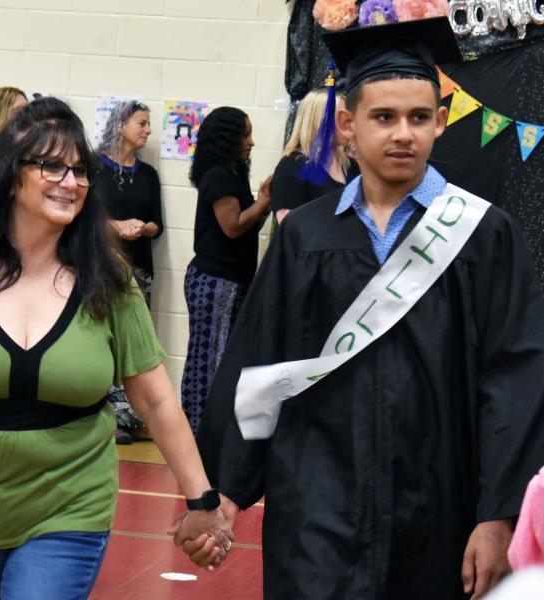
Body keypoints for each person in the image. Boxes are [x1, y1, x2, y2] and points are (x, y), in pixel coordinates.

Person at [194, 18, 544, 600]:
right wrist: (225, 489)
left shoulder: (485, 236)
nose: (402, 133)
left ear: (440, 121)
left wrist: (498, 512)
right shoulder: (306, 236)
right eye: (384, 117)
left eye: (419, 117)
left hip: (440, 506)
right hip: (316, 501)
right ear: (348, 125)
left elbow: (513, 379)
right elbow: (258, 363)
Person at [0, 97, 232, 600]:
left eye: (80, 171)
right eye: (52, 166)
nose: (71, 181)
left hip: (71, 504)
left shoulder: (109, 282)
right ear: (11, 176)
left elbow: (156, 400)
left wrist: (202, 499)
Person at [180, 106, 272, 435]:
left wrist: (260, 203)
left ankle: (210, 431)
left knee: (219, 356)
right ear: (228, 138)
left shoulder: (233, 174)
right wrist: (265, 200)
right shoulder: (218, 174)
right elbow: (232, 227)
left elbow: (246, 225)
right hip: (216, 281)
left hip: (230, 280)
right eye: (245, 134)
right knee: (210, 359)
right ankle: (200, 432)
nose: (251, 142)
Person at [95, 99, 164, 444]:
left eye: (149, 124)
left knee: (131, 345)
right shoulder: (94, 166)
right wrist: (115, 226)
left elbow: (158, 225)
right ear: (121, 125)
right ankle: (103, 415)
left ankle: (129, 416)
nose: (148, 130)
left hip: (138, 271)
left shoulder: (148, 174)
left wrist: (140, 227)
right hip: (100, 268)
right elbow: (83, 217)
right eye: (142, 123)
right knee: (99, 341)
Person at [271, 88, 360, 223]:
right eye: (341, 118)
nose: (349, 125)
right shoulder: (291, 168)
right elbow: (290, 230)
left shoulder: (350, 165)